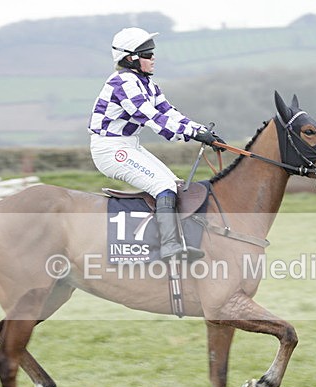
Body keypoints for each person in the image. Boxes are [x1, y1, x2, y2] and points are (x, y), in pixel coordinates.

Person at [88, 27, 224, 261]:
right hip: (110, 149)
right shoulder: (123, 83)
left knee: (175, 184)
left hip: (128, 144)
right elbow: (152, 118)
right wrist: (192, 133)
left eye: (152, 52)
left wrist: (202, 131)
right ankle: (168, 246)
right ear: (130, 58)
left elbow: (169, 112)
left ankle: (177, 240)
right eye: (148, 54)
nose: (153, 58)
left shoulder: (146, 84)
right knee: (163, 186)